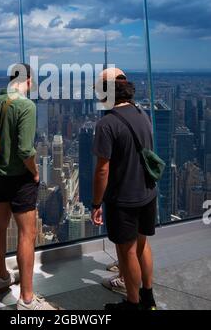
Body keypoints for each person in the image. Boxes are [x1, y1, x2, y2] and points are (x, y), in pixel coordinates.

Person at [0, 63, 58, 310]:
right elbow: (26, 150)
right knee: (27, 233)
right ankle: (26, 299)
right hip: (19, 178)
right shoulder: (26, 105)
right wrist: (35, 173)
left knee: (0, 224)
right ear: (27, 80)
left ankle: (2, 277)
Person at [92, 68, 157, 310]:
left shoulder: (107, 124)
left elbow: (102, 170)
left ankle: (133, 303)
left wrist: (96, 203)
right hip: (148, 193)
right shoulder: (143, 113)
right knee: (142, 245)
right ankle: (147, 297)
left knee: (127, 250)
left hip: (124, 199)